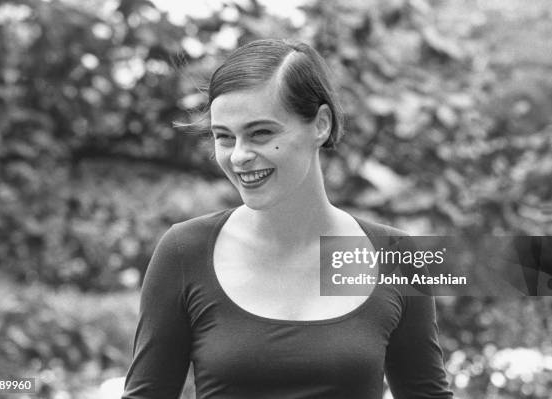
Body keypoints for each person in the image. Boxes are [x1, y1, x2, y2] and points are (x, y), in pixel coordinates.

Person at [122, 39, 453, 399]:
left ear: (321, 125)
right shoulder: (185, 251)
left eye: (261, 133)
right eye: (224, 137)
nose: (239, 156)